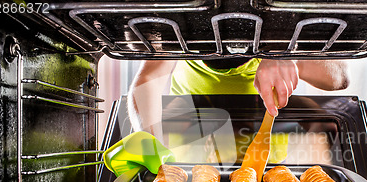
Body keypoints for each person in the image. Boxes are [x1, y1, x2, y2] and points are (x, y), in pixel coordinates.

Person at [127, 58, 348, 140]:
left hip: (270, 164)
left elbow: (340, 77)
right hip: (188, 160)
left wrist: (291, 58)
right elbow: (149, 77)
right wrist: (148, 141)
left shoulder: (279, 22)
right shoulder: (184, 21)